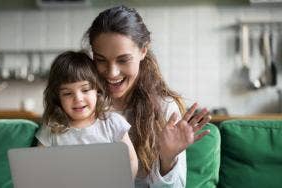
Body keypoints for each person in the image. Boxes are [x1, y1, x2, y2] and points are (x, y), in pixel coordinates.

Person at [83, 5, 211, 188]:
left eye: (123, 60)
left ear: (143, 50)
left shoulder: (165, 108)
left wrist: (167, 159)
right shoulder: (82, 104)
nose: (112, 73)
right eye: (101, 60)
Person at [35, 51, 139, 178]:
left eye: (85, 90)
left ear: (97, 90)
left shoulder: (113, 123)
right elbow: (39, 167)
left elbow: (131, 161)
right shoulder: (52, 128)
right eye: (67, 93)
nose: (78, 98)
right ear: (57, 98)